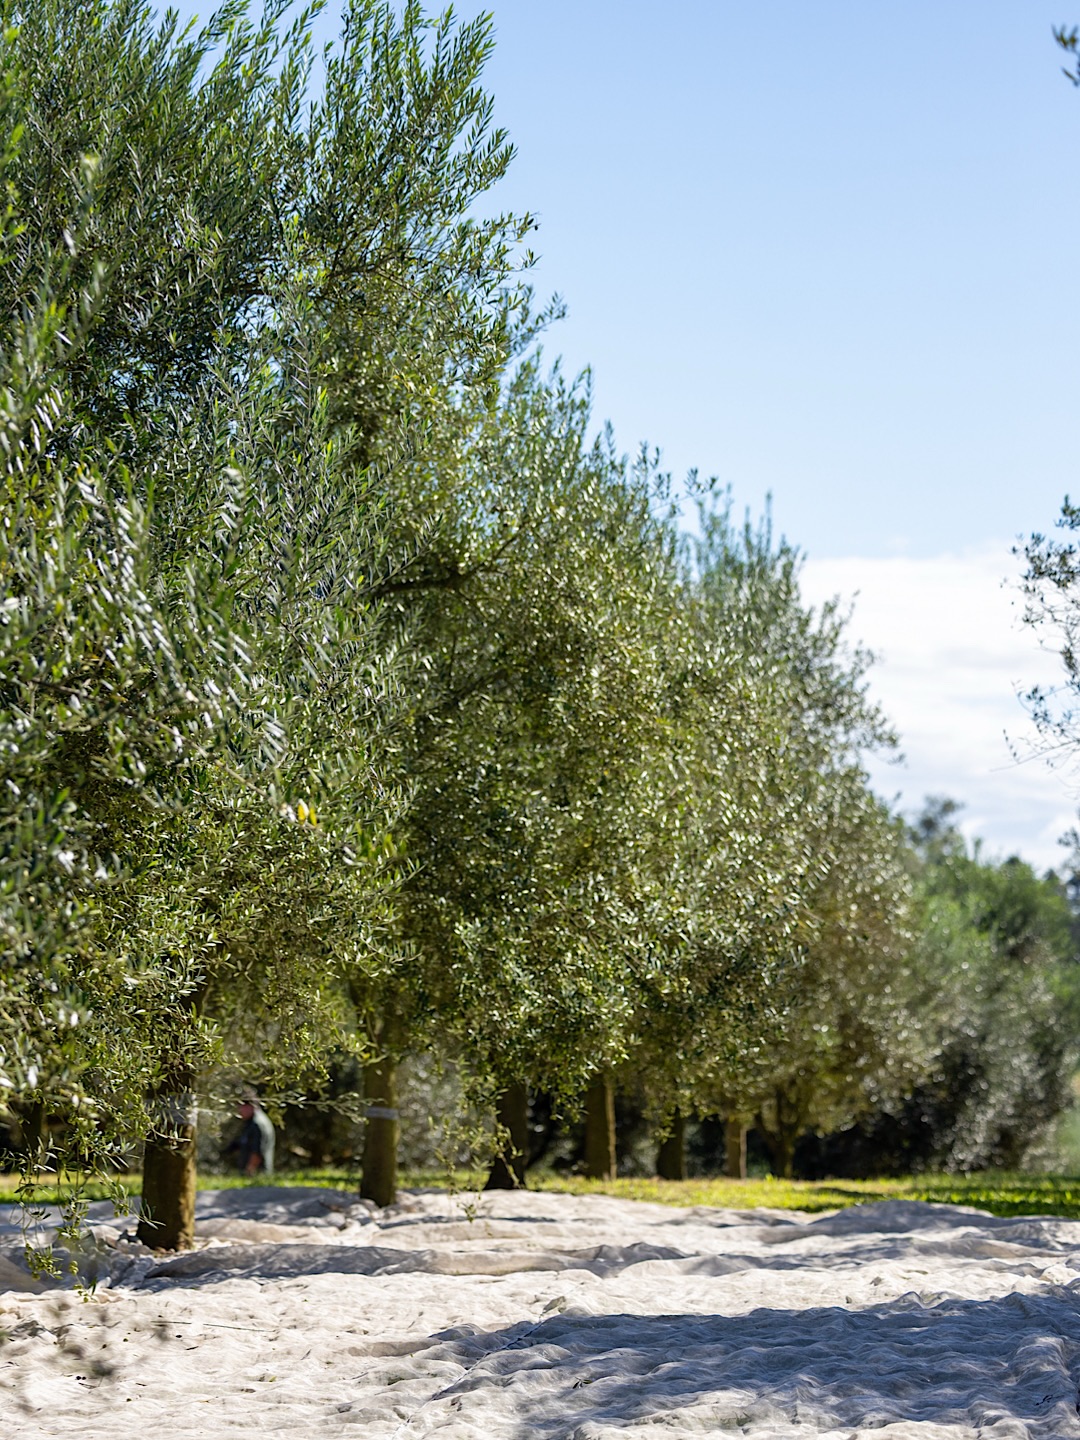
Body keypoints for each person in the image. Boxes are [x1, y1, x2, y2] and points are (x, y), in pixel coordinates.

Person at [227, 1090, 275, 1176]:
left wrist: (248, 1172)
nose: (239, 1110)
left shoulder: (257, 1124)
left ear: (250, 1106)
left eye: (241, 1107)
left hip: (257, 1177)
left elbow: (257, 1152)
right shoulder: (251, 1122)